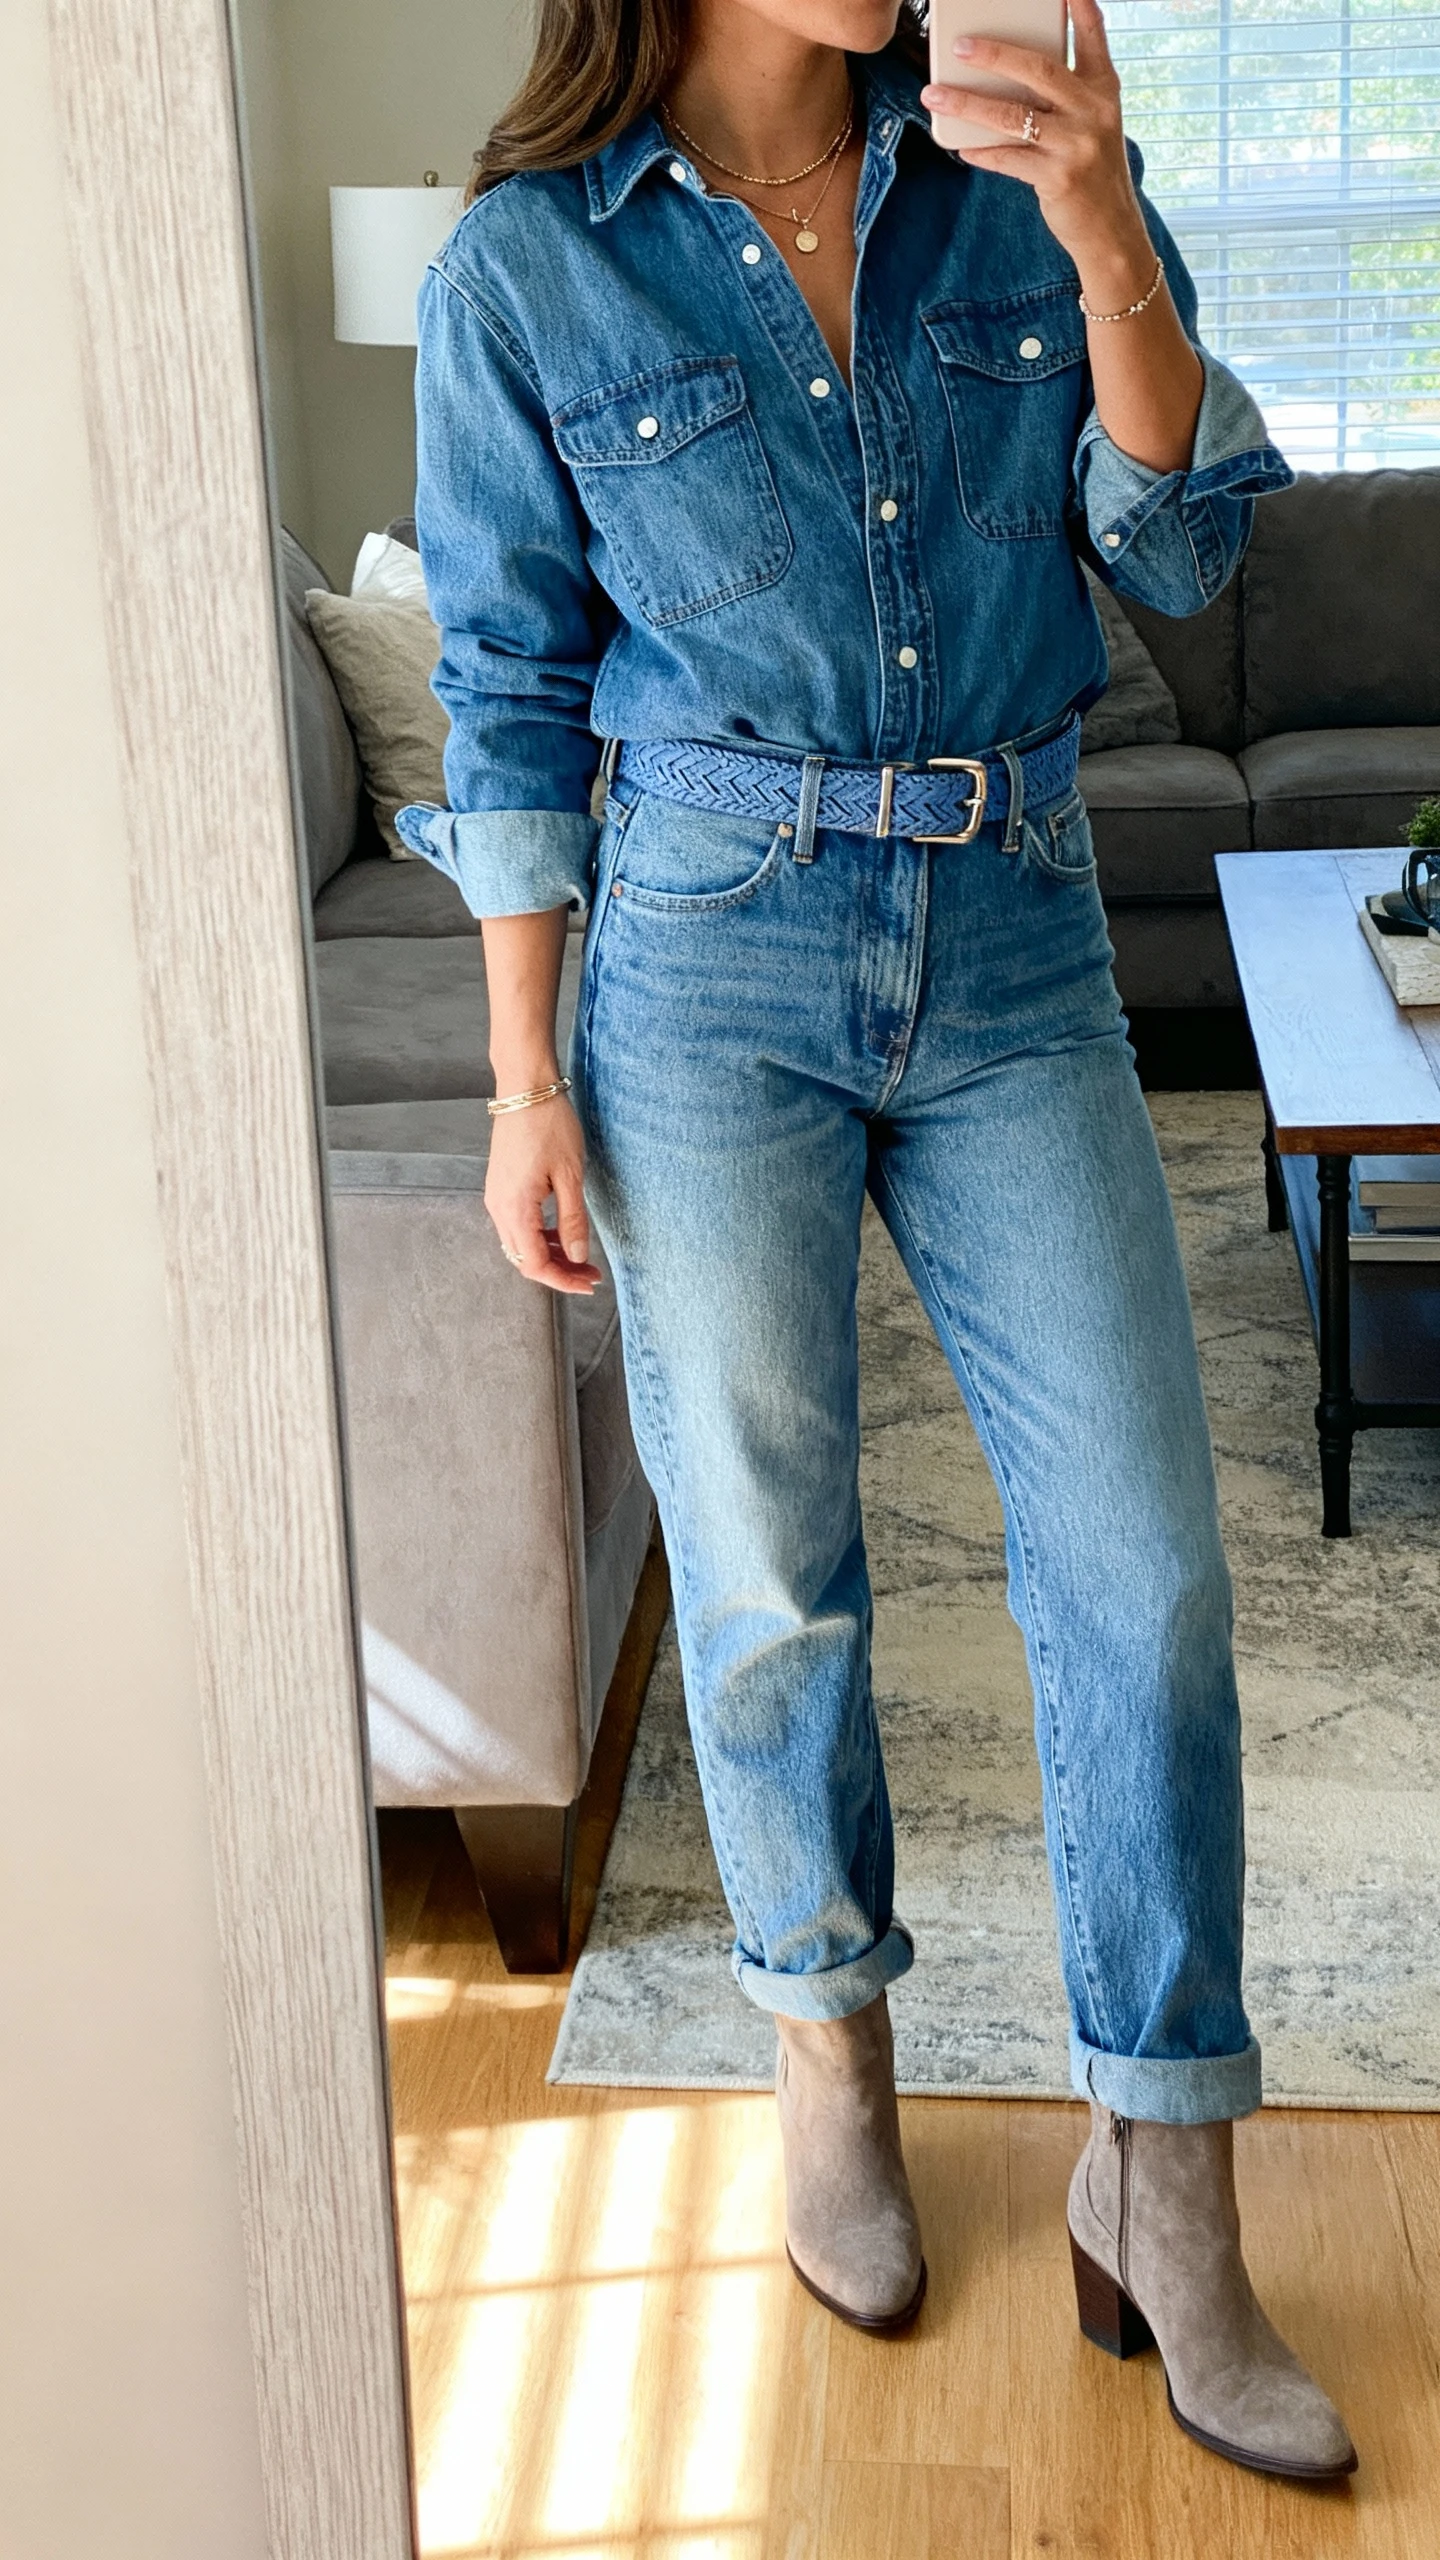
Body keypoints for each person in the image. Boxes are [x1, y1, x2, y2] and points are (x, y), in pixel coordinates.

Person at [395, 0, 1357, 2483]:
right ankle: (826, 2047)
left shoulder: (997, 179)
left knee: (1142, 1562)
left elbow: (1189, 537)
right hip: (703, 950)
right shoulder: (530, 266)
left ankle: (1169, 2162)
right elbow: (506, 695)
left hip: (1018, 916)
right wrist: (524, 1078)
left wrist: (1110, 222)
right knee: (768, 1568)